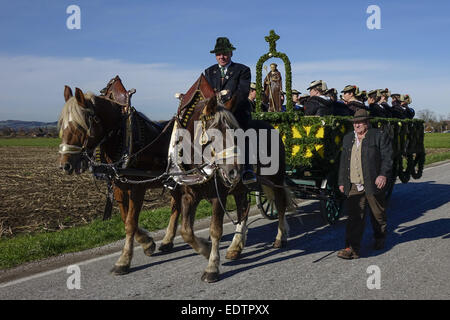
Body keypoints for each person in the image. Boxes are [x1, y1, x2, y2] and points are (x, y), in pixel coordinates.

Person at [337, 109, 393, 259]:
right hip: (354, 183)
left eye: (360, 122)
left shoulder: (378, 136)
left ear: (367, 122)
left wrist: (382, 175)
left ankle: (380, 237)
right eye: (355, 122)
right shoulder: (348, 138)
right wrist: (342, 181)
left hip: (372, 181)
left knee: (378, 214)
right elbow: (344, 161)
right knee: (354, 217)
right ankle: (352, 249)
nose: (357, 125)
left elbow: (388, 158)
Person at [204, 37, 256, 184]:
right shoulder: (209, 72)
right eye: (219, 54)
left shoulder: (242, 70)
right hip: (217, 114)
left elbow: (242, 93)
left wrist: (227, 109)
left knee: (243, 134)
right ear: (215, 55)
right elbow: (208, 95)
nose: (222, 57)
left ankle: (247, 169)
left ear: (231, 53)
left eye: (225, 53)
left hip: (237, 111)